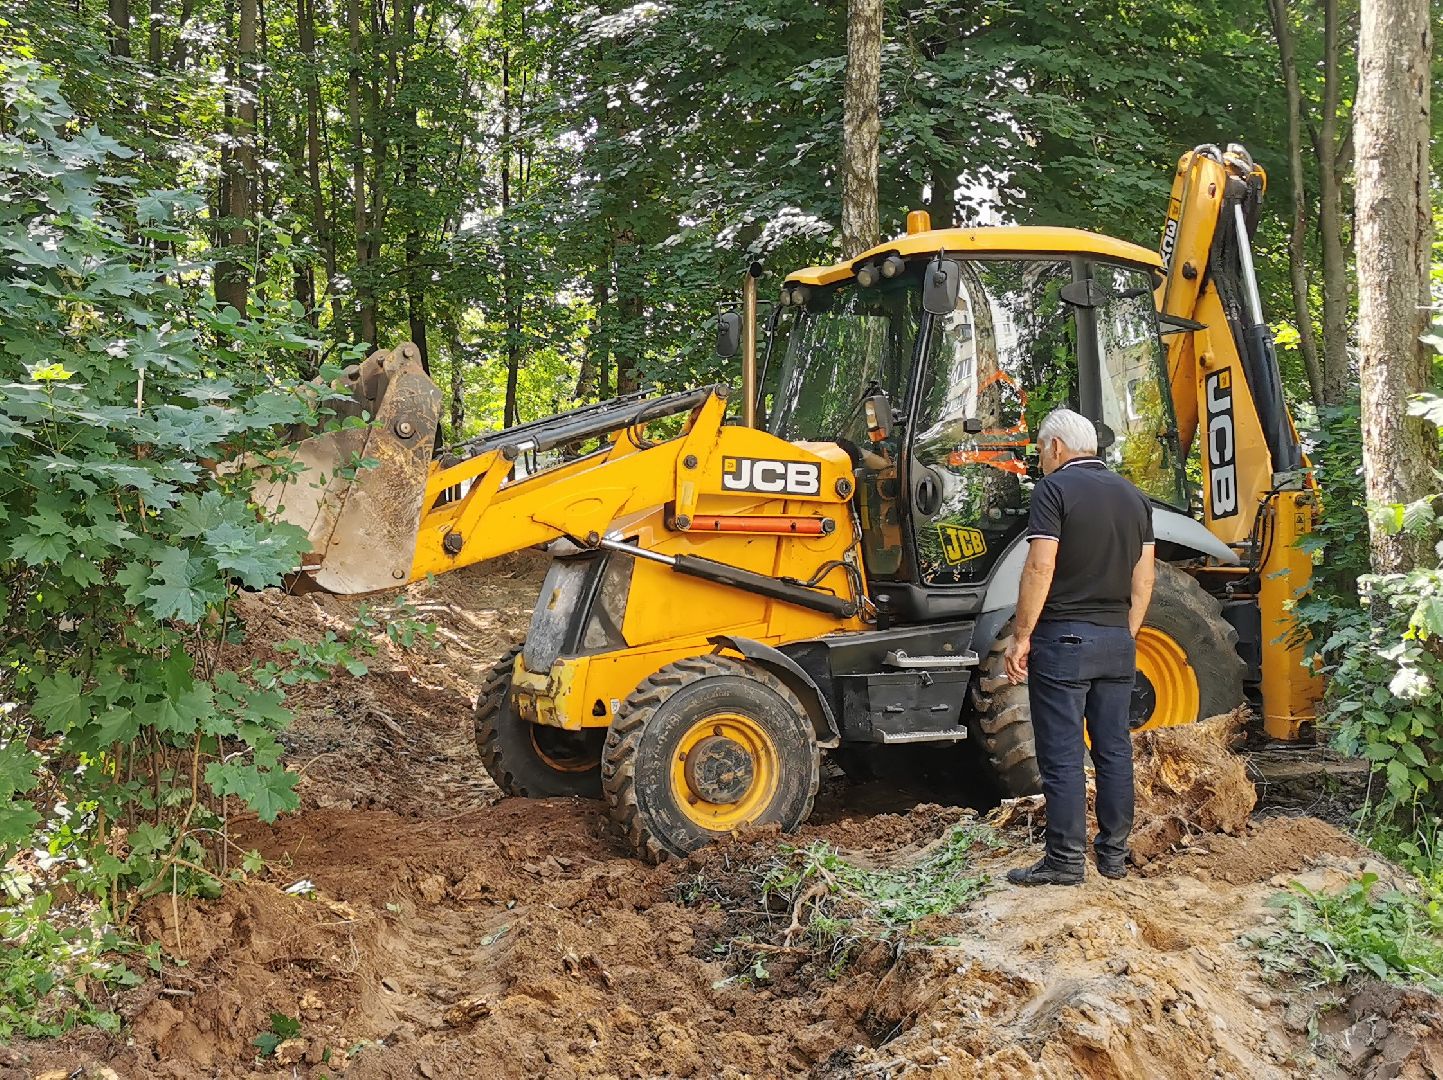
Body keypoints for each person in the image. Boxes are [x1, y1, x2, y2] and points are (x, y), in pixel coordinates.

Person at [1003, 408, 1156, 886]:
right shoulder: (1135, 497)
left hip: (1064, 640)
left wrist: (1022, 635)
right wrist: (1124, 633)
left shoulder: (1054, 490)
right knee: (1113, 749)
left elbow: (1039, 567)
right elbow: (1144, 577)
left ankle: (1065, 861)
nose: (1041, 459)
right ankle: (1112, 856)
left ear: (1056, 448)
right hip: (1116, 641)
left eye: (1042, 450)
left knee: (1063, 754)